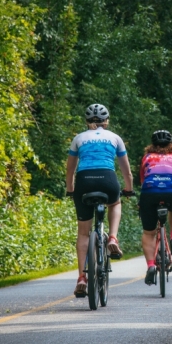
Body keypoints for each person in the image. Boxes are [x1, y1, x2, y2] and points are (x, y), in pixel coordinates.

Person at [66, 104, 134, 297]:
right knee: (115, 202)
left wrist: (71, 190)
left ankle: (81, 277)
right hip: (108, 180)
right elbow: (126, 170)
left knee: (83, 233)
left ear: (87, 122)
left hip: (84, 182)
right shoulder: (115, 138)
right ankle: (112, 237)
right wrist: (128, 189)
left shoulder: (78, 138)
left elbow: (70, 170)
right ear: (107, 121)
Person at [138, 130, 172, 285]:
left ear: (152, 145)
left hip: (150, 191)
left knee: (149, 232)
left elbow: (143, 180)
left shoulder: (146, 158)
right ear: (171, 145)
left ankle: (151, 266)